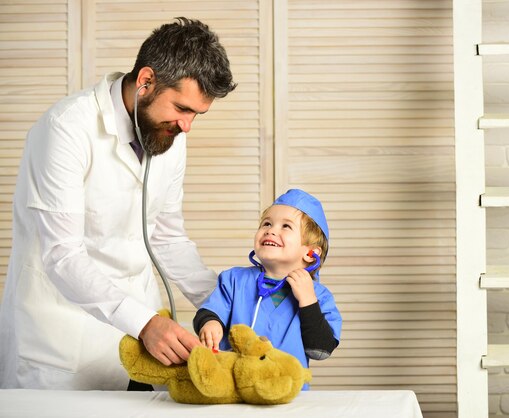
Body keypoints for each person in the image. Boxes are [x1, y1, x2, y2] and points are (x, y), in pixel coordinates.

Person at [0, 17, 236, 390]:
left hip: (136, 341)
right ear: (146, 81)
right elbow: (62, 255)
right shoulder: (65, 129)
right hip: (63, 343)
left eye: (196, 114)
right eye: (182, 108)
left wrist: (230, 302)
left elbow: (167, 239)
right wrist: (144, 322)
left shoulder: (170, 134)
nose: (187, 126)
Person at [193, 189, 342, 388]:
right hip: (235, 389)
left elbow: (320, 350)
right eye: (267, 223)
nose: (271, 230)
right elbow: (210, 311)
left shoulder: (319, 297)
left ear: (310, 254)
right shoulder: (234, 280)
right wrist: (211, 324)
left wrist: (308, 302)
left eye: (286, 226)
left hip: (288, 395)